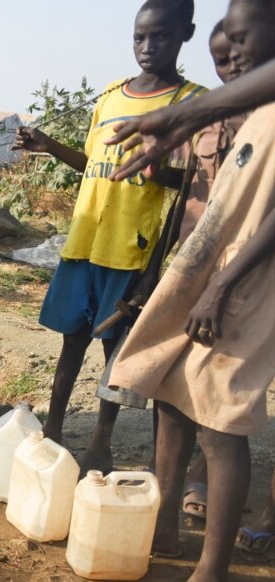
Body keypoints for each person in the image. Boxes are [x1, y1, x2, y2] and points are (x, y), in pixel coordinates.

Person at [110, 0, 275, 582]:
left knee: (223, 419)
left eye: (239, 32)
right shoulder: (254, 109)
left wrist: (223, 286)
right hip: (222, 273)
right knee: (179, 395)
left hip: (250, 281)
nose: (229, 45)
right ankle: (168, 534)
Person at [13, 0, 205, 475]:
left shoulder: (191, 104)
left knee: (113, 351)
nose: (147, 47)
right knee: (71, 340)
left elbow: (195, 184)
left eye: (160, 36)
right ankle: (53, 432)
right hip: (84, 240)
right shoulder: (112, 95)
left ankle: (101, 442)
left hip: (132, 247)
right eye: (139, 37)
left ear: (187, 34)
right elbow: (95, 165)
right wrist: (51, 147)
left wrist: (157, 171)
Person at [177, 20, 251, 521]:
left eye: (238, 54)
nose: (231, 67)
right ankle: (181, 486)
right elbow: (186, 194)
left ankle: (260, 513)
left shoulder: (263, 123)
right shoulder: (208, 119)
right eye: (221, 59)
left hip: (245, 273)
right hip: (195, 265)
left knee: (227, 398)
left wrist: (223, 285)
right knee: (186, 383)